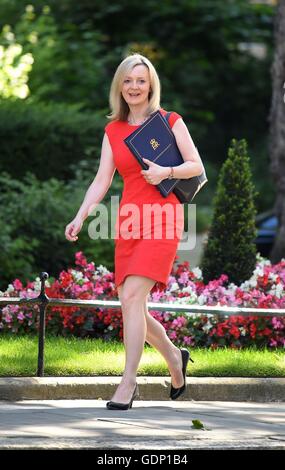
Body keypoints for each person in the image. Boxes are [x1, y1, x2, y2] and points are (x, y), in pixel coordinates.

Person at [65, 53, 203, 410]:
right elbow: (101, 180)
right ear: (119, 86)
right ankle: (174, 357)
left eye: (141, 80)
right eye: (128, 80)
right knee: (133, 305)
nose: (134, 87)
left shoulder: (169, 120)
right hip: (129, 222)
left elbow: (195, 166)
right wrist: (81, 216)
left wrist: (166, 173)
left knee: (130, 300)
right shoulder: (113, 131)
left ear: (151, 85)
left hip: (163, 218)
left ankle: (128, 382)